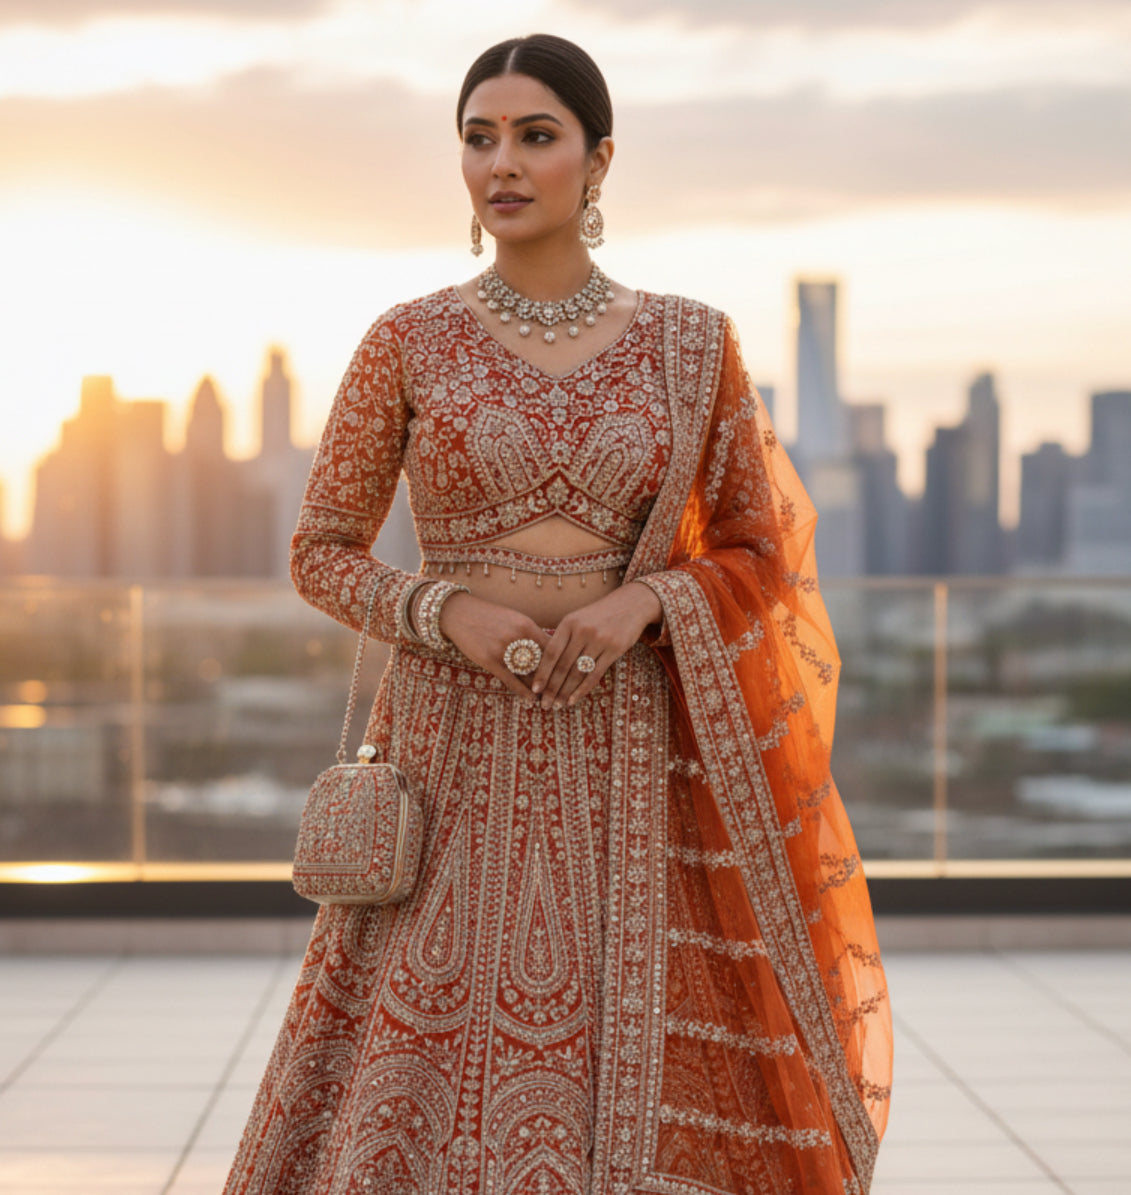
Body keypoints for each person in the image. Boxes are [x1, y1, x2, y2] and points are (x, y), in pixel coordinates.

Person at [224, 33, 892, 1195]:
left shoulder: (693, 342)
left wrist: (644, 599)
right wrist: (443, 612)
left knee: (625, 1029)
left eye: (536, 136)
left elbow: (757, 549)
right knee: (426, 1044)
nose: (503, 165)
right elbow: (318, 552)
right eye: (478, 139)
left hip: (630, 749)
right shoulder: (408, 340)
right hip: (448, 752)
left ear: (599, 159)